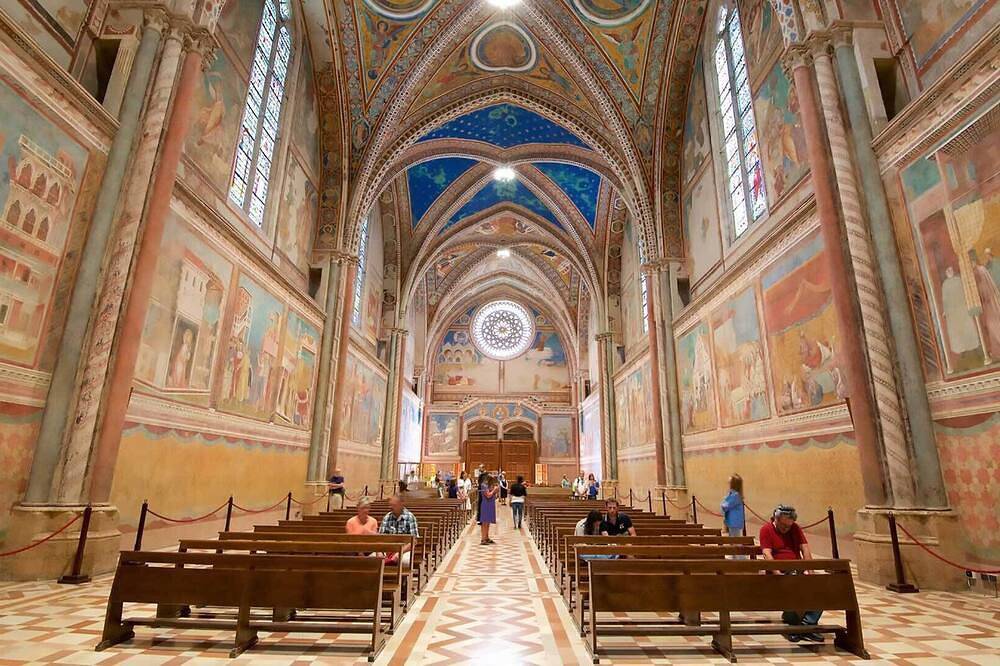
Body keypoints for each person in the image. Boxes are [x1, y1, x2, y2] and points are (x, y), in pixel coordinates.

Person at [760, 504, 823, 643]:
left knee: (821, 587)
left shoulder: (795, 528)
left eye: (789, 526)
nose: (786, 529)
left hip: (797, 569)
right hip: (779, 572)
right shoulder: (766, 529)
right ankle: (795, 623)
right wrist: (777, 573)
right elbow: (767, 553)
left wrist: (811, 571)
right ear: (775, 519)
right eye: (783, 526)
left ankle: (808, 625)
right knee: (793, 585)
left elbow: (805, 548)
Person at [379, 494, 420, 566]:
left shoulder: (410, 517)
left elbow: (414, 541)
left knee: (404, 561)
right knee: (373, 559)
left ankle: (402, 577)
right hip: (387, 549)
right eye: (390, 505)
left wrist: (400, 552)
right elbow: (380, 538)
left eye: (393, 505)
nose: (390, 507)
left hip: (404, 549)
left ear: (401, 505)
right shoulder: (387, 517)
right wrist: (380, 552)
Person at [721, 474, 746, 555]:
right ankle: (735, 557)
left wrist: (724, 501)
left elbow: (725, 506)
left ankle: (739, 559)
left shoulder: (735, 495)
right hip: (731, 521)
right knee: (733, 540)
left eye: (729, 481)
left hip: (734, 521)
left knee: (736, 541)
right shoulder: (733, 494)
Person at [479, 474, 499, 545]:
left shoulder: (488, 486)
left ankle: (486, 537)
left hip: (490, 504)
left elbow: (494, 495)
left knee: (488, 522)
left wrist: (496, 491)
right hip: (486, 504)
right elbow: (488, 495)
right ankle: (483, 539)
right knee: (484, 522)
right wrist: (494, 490)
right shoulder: (483, 485)